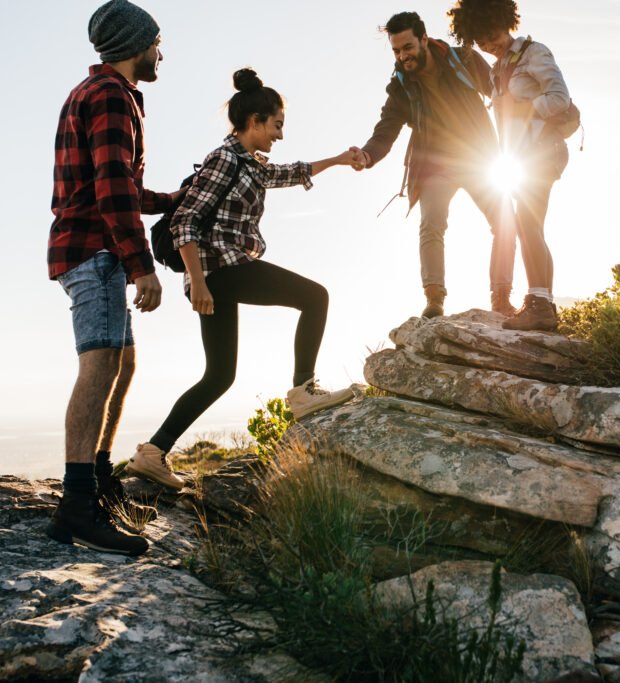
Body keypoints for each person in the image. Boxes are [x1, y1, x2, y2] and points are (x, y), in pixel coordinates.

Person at [125, 68, 356, 491]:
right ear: (255, 121)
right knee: (315, 297)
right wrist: (198, 283)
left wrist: (339, 159)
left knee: (219, 375)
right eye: (277, 125)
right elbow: (185, 222)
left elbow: (291, 172)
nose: (280, 135)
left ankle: (153, 453)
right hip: (222, 270)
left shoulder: (252, 165)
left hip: (218, 275)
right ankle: (303, 390)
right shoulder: (225, 159)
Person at [46, 0, 184, 556]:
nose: (160, 53)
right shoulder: (109, 96)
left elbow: (118, 182)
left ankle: (99, 480)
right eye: (156, 43)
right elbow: (112, 189)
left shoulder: (98, 92)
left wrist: (173, 199)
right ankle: (77, 505)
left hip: (91, 246)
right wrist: (141, 265)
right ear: (136, 44)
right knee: (99, 366)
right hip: (94, 250)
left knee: (122, 363)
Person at [349, 11, 518, 319]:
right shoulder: (400, 87)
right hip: (435, 165)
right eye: (396, 51)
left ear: (424, 39)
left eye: (408, 47)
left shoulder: (462, 59)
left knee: (505, 219)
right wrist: (367, 155)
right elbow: (385, 130)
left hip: (479, 158)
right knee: (431, 224)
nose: (402, 56)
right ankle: (434, 300)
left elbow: (500, 92)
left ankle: (501, 297)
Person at [448, 0, 573, 330]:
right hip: (520, 158)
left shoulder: (534, 53)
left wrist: (524, 108)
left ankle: (540, 305)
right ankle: (543, 304)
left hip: (544, 150)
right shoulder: (496, 70)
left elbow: (560, 97)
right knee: (531, 226)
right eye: (481, 41)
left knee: (527, 223)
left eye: (491, 35)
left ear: (504, 21)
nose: (489, 45)